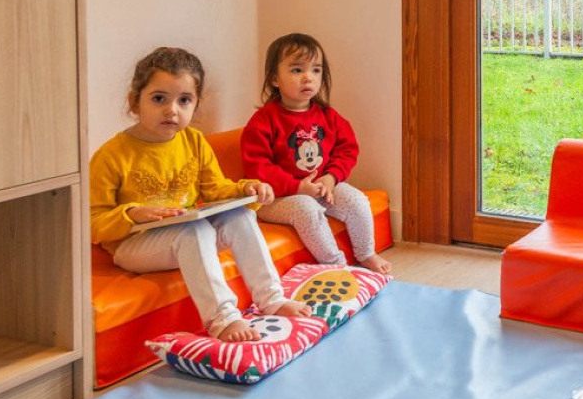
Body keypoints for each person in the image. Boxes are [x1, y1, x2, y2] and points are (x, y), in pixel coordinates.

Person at [90, 47, 311, 343]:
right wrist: (132, 213)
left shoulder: (193, 140)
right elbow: (93, 222)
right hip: (134, 246)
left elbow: (215, 189)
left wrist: (246, 188)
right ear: (134, 101)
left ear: (195, 104)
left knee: (239, 215)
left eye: (184, 100)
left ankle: (272, 299)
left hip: (188, 233)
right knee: (193, 231)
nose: (172, 110)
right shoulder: (112, 155)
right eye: (159, 99)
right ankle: (223, 319)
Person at [241, 33, 391, 275]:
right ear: (274, 80)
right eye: (297, 70)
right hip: (275, 199)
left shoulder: (327, 115)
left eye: (316, 70)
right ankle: (335, 265)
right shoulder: (262, 121)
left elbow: (347, 149)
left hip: (321, 187)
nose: (308, 77)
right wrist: (297, 187)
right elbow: (258, 168)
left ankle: (366, 253)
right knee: (306, 209)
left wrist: (331, 178)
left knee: (356, 200)